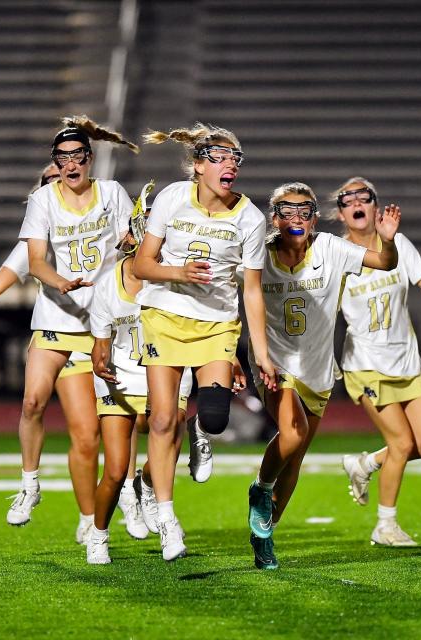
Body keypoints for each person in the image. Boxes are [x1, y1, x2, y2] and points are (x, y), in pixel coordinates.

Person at [0, 160, 141, 538]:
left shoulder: (101, 213)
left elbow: (134, 255)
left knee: (103, 432)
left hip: (103, 333)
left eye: (62, 178)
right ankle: (43, 492)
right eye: (49, 181)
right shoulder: (36, 241)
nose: (58, 184)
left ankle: (124, 498)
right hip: (56, 331)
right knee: (40, 407)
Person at [132, 123, 277, 561]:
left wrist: (261, 354)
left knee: (214, 418)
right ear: (198, 166)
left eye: (236, 158)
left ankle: (197, 435)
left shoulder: (249, 218)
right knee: (160, 422)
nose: (231, 163)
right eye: (220, 157)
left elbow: (251, 289)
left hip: (216, 324)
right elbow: (141, 265)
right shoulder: (173, 198)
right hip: (164, 316)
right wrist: (179, 272)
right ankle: (167, 518)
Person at [246, 182, 400, 569]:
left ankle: (265, 533)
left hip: (317, 368)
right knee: (292, 431)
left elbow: (384, 262)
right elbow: (231, 299)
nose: (295, 219)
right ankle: (260, 490)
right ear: (273, 217)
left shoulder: (330, 248)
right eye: (287, 211)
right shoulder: (257, 253)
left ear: (314, 216)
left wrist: (387, 240)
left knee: (295, 458)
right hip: (275, 363)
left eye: (304, 211)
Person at [14, 115, 139, 543]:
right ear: (55, 162)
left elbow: (131, 245)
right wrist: (59, 281)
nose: (70, 164)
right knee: (32, 400)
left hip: (99, 326)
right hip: (56, 317)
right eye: (62, 157)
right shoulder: (43, 200)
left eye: (77, 156)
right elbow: (32, 262)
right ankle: (29, 483)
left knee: (94, 432)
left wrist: (132, 243)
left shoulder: (112, 193)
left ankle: (109, 508)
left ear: (90, 159)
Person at [333, 177, 421, 547]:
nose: (357, 203)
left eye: (364, 197)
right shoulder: (337, 255)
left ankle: (366, 464)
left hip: (406, 362)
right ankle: (385, 525)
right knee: (402, 444)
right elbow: (322, 310)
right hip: (365, 365)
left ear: (376, 207)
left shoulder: (398, 243)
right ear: (341, 212)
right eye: (348, 199)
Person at [84, 185, 196, 563]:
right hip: (120, 377)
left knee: (170, 425)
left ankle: (150, 484)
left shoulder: (172, 276)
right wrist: (100, 363)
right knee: (115, 471)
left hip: (164, 370)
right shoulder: (107, 286)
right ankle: (98, 534)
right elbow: (99, 349)